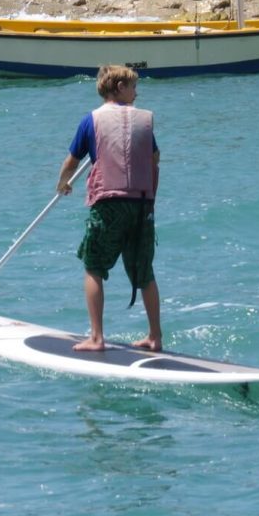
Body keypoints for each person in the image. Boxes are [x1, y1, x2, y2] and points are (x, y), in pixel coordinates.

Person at [57, 65, 163, 352]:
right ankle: (155, 336)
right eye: (133, 86)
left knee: (94, 266)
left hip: (108, 205)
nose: (136, 92)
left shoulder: (91, 120)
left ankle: (96, 337)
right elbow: (154, 159)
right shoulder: (144, 120)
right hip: (142, 205)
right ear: (119, 87)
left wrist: (62, 183)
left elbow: (71, 162)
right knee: (144, 272)